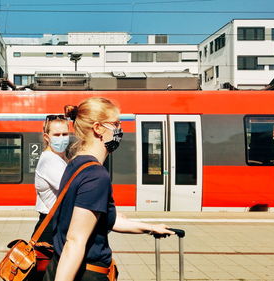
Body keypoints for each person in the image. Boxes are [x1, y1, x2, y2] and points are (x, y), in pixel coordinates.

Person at [43, 97, 175, 281]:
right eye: (115, 124)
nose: (120, 130)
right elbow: (75, 241)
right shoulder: (96, 175)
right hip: (84, 273)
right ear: (98, 128)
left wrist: (151, 228)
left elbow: (106, 221)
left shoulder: (75, 164)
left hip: (63, 265)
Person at [33, 114, 70, 245]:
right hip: (51, 228)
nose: (62, 138)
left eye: (65, 134)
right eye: (57, 135)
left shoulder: (59, 158)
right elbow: (73, 189)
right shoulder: (50, 160)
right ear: (46, 137)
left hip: (55, 225)